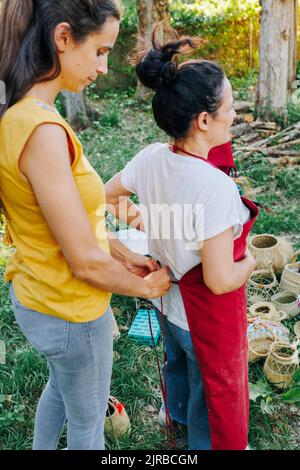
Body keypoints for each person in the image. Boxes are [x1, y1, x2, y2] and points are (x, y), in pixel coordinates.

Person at [0, 0, 171, 450]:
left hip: (38, 294)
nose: (103, 66)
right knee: (88, 425)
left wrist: (120, 251)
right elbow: (84, 263)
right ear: (62, 39)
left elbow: (61, 223)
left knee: (61, 386)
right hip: (71, 312)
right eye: (99, 51)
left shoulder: (18, 115)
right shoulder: (42, 132)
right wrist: (150, 287)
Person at [105, 27, 258, 450]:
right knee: (210, 392)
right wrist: (252, 263)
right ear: (205, 120)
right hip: (204, 318)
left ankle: (173, 416)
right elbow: (220, 279)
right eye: (230, 108)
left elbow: (108, 194)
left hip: (167, 304)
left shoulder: (152, 158)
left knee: (179, 365)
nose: (236, 114)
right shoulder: (214, 188)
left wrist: (147, 223)